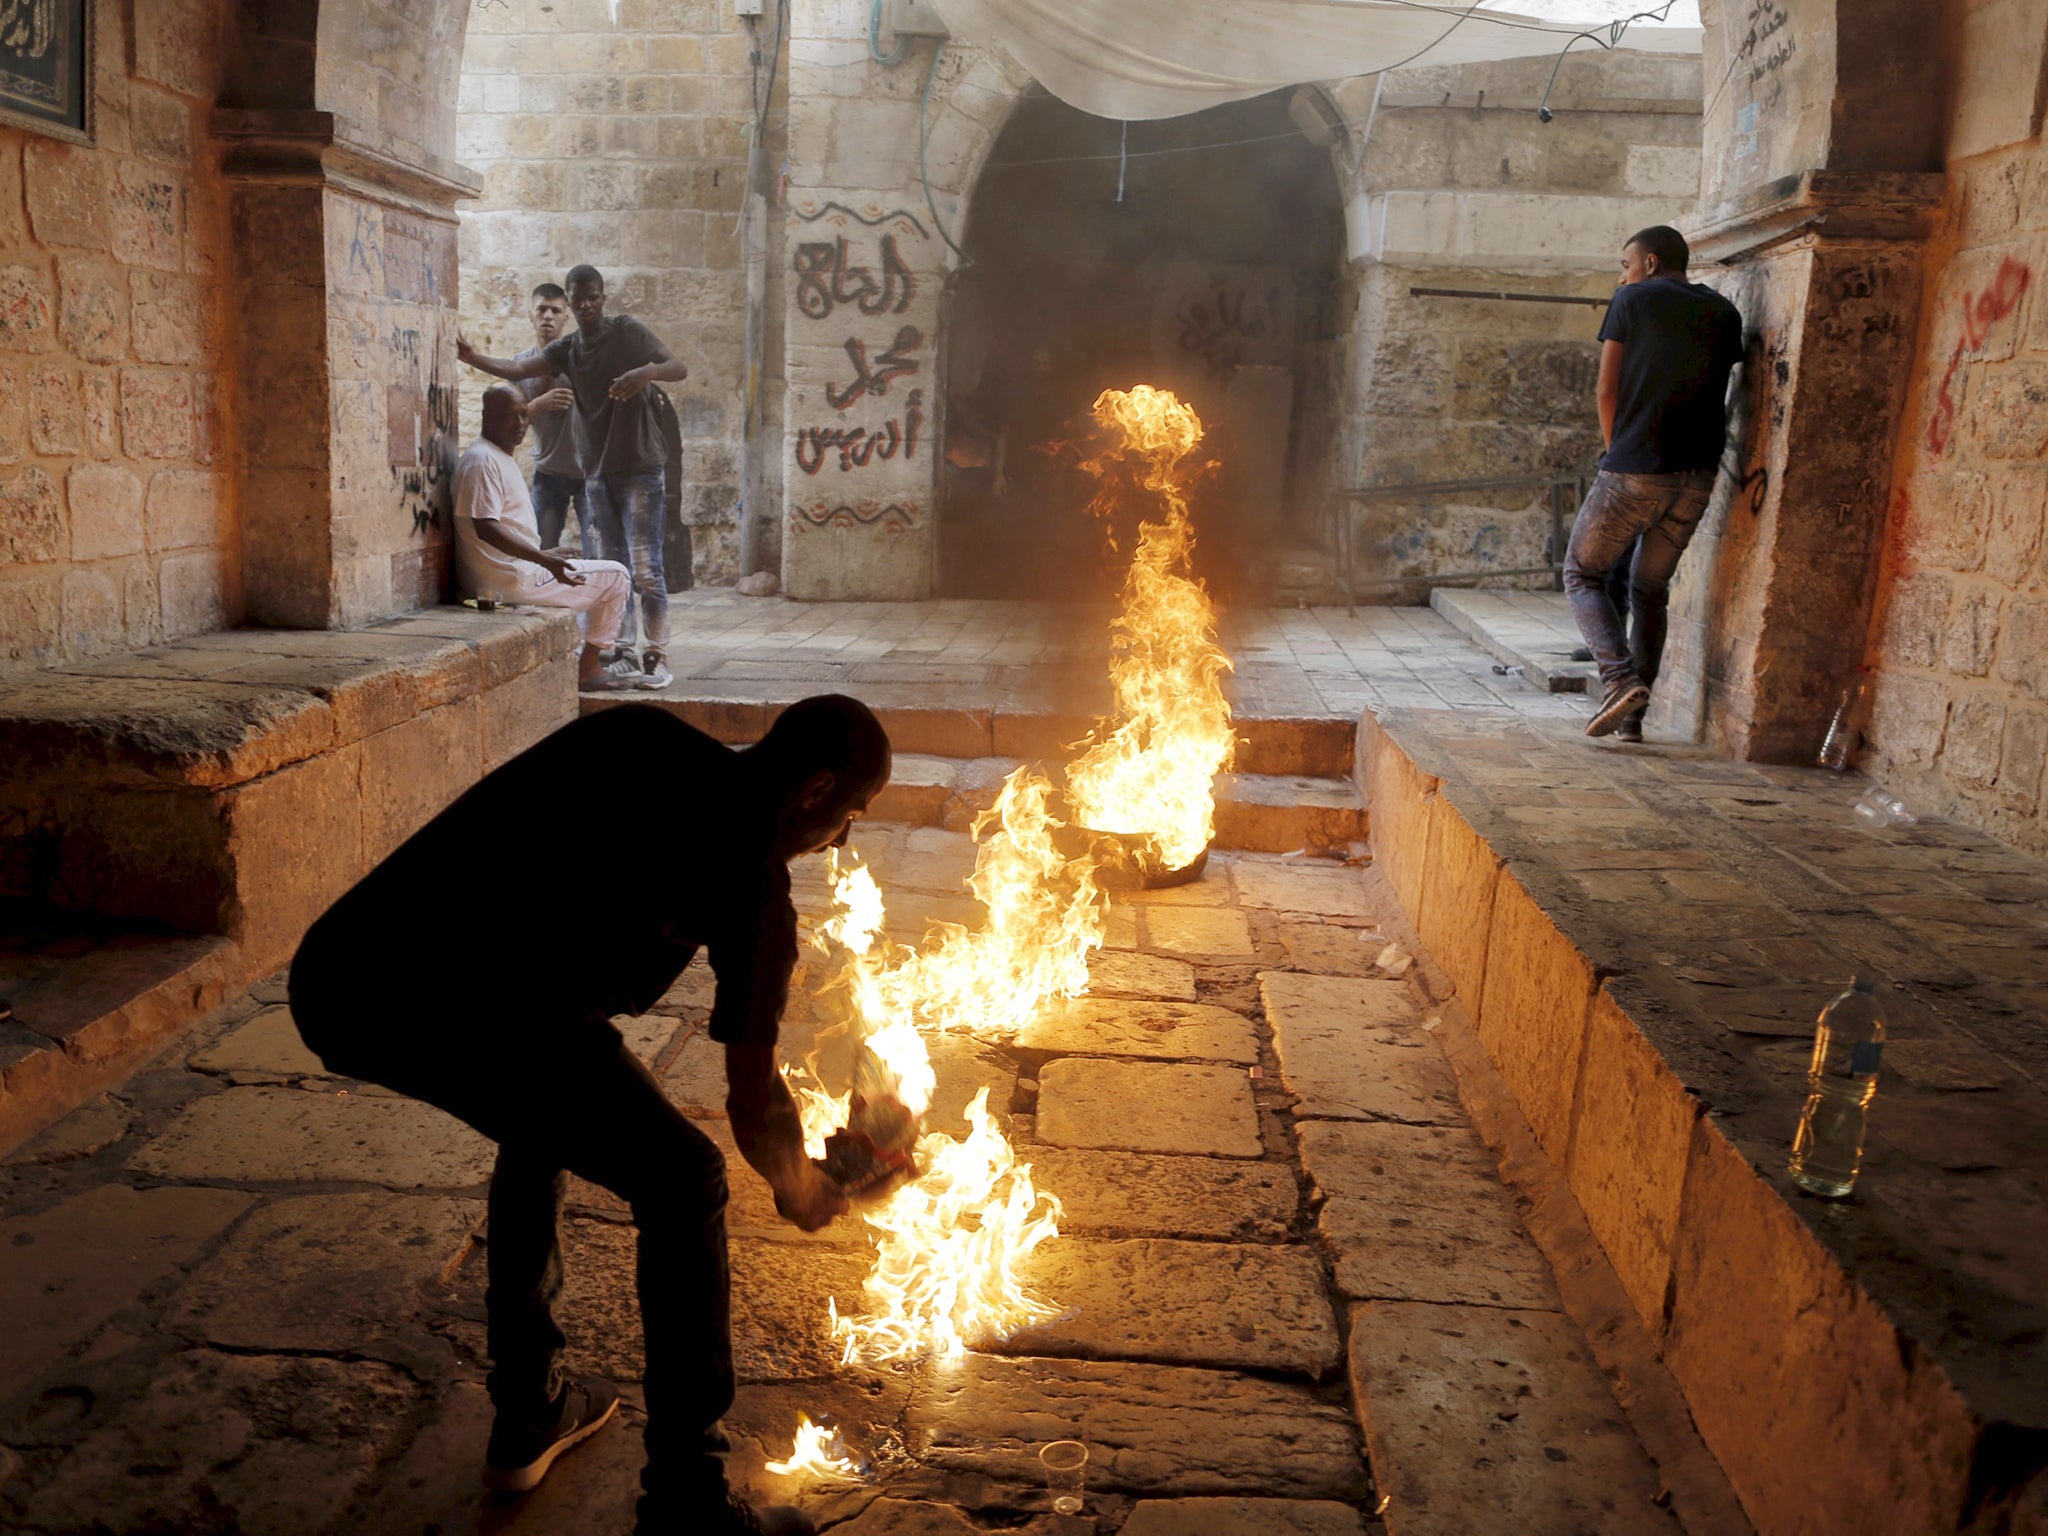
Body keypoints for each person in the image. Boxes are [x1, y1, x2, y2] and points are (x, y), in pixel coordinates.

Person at [288, 697, 892, 1536]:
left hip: (345, 974)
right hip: (449, 1000)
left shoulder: (637, 734)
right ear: (817, 788)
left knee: (547, 1109)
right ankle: (686, 1500)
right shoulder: (755, 886)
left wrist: (799, 1164)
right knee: (685, 1177)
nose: (843, 841)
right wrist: (803, 1190)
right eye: (849, 817)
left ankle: (528, 1410)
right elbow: (751, 1105)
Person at [459, 266, 690, 691]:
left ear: (602, 298)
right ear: (571, 298)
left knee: (646, 568)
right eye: (577, 298)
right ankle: (622, 652)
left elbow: (677, 367)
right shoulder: (567, 349)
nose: (584, 306)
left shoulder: (627, 332)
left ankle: (657, 655)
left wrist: (645, 374)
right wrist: (472, 358)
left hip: (640, 466)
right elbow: (517, 368)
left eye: (591, 298)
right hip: (597, 472)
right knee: (614, 565)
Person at [1565, 225, 1744, 739]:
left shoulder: (1632, 299)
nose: (1622, 274)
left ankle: (1619, 681)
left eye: (1625, 263)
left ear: (1648, 263)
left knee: (1582, 573)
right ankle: (1633, 721)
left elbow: (1606, 388)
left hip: (1635, 468)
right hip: (1697, 477)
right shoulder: (1723, 311)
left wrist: (1613, 450)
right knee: (1649, 590)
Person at [454, 384, 635, 692]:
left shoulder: (493, 456)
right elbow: (485, 527)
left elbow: (500, 527)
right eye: (509, 416)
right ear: (487, 417)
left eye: (524, 415)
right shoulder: (482, 461)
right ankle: (588, 669)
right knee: (617, 577)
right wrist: (545, 561)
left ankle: (579, 658)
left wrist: (548, 553)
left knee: (590, 574)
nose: (519, 424)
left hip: (507, 574)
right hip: (508, 582)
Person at [514, 282, 587, 555]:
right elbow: (512, 428)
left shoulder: (583, 360)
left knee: (599, 548)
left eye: (555, 310)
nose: (548, 316)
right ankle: (544, 600)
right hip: (548, 474)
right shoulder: (520, 366)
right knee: (542, 552)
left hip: (589, 474)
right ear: (530, 314)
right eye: (541, 309)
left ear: (566, 316)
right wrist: (537, 405)